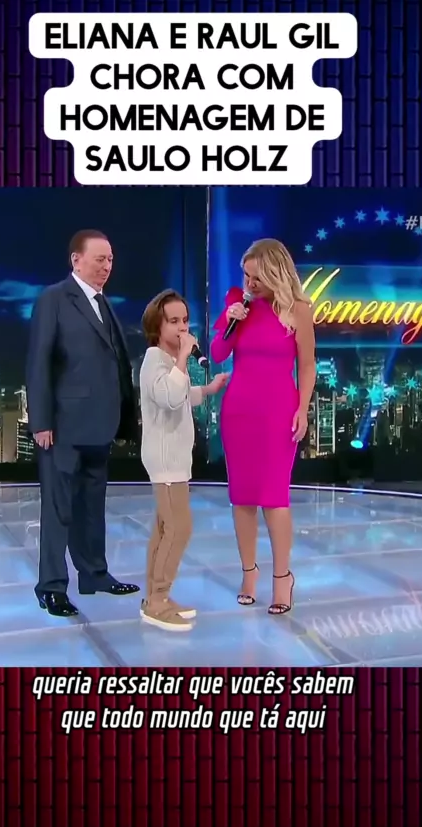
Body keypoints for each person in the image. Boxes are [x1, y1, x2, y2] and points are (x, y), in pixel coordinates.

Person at [26, 229, 140, 617]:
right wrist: (41, 421)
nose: (107, 266)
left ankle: (94, 574)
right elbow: (39, 361)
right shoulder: (54, 299)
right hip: (62, 426)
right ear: (76, 260)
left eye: (110, 260)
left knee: (92, 506)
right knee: (58, 509)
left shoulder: (103, 304)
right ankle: (51, 586)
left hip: (99, 425)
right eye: (99, 259)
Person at [210, 238, 316, 616]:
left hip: (278, 412)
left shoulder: (298, 310)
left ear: (276, 274)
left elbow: (307, 364)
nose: (250, 283)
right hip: (239, 410)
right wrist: (231, 320)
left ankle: (282, 578)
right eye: (246, 276)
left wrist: (303, 408)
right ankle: (248, 574)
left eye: (257, 277)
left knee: (274, 497)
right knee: (242, 496)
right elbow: (218, 353)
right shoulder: (238, 305)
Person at [139, 289, 229, 631]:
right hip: (165, 458)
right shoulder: (155, 359)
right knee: (179, 527)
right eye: (173, 321)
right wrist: (182, 359)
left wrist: (208, 390)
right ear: (157, 325)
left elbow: (180, 395)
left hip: (174, 456)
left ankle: (155, 597)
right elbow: (168, 396)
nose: (182, 328)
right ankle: (158, 601)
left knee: (165, 528)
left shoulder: (166, 361)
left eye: (185, 320)